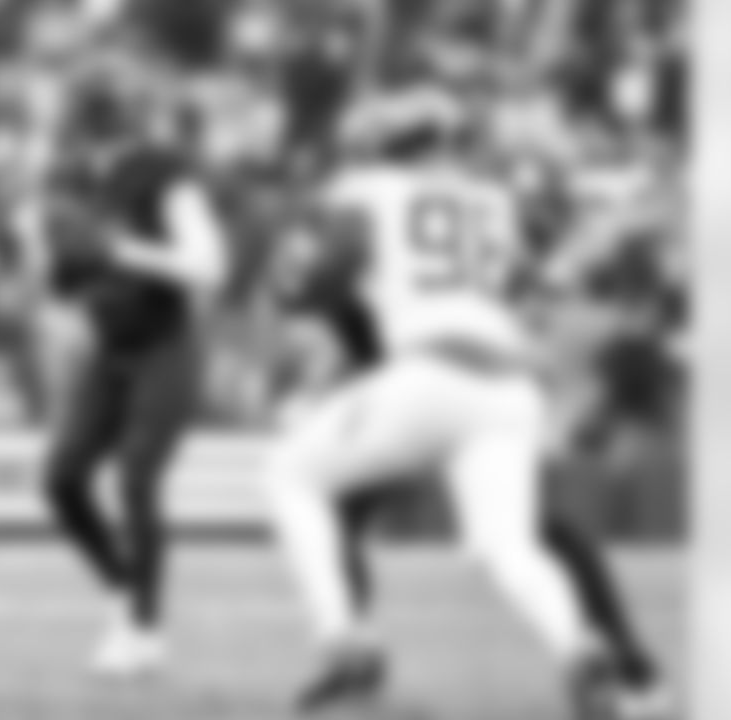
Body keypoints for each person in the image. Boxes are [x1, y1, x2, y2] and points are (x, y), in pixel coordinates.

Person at [260, 114, 669, 720]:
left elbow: (319, 283)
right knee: (506, 544)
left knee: (290, 476)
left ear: (380, 153)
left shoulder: (369, 191)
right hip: (507, 384)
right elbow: (524, 287)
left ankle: (343, 638)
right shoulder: (491, 201)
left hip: (427, 374)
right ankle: (577, 646)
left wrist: (289, 279)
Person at [40, 76, 229, 677]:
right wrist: (68, 273)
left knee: (137, 477)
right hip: (109, 344)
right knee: (62, 479)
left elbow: (208, 265)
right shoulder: (74, 181)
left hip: (165, 342)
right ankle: (126, 592)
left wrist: (121, 253)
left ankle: (144, 630)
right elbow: (70, 275)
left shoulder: (160, 171)